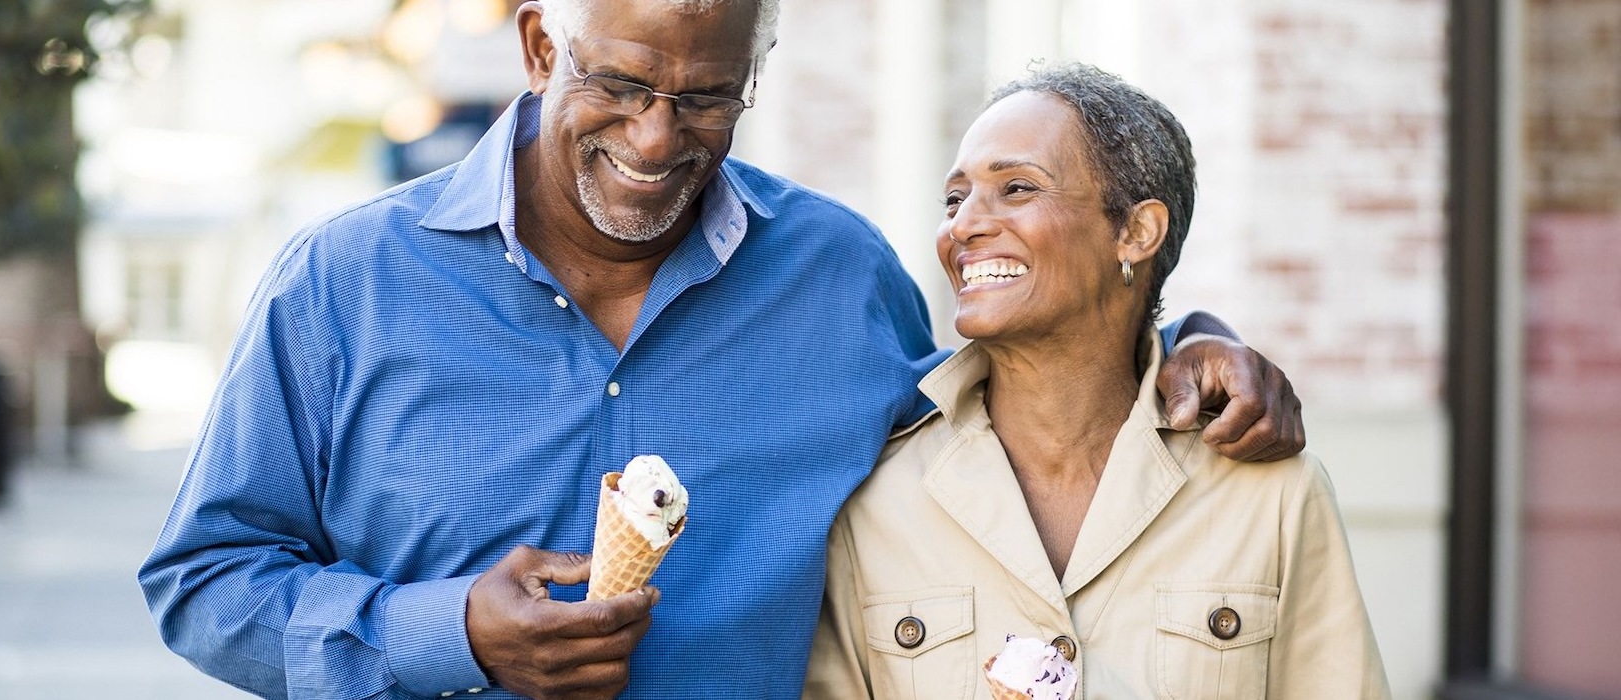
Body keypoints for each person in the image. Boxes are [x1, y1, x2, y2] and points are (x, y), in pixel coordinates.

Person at [138, 3, 1307, 698]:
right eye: (622, 82)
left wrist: (1185, 338)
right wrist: (449, 632)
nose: (657, 139)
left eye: (706, 98)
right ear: (543, 42)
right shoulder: (346, 282)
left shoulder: (839, 278)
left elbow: (1010, 421)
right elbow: (201, 580)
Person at [803, 63, 1389, 699]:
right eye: (955, 198)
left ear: (1136, 232)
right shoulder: (878, 501)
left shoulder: (1270, 492)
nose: (962, 226)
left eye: (1018, 188)